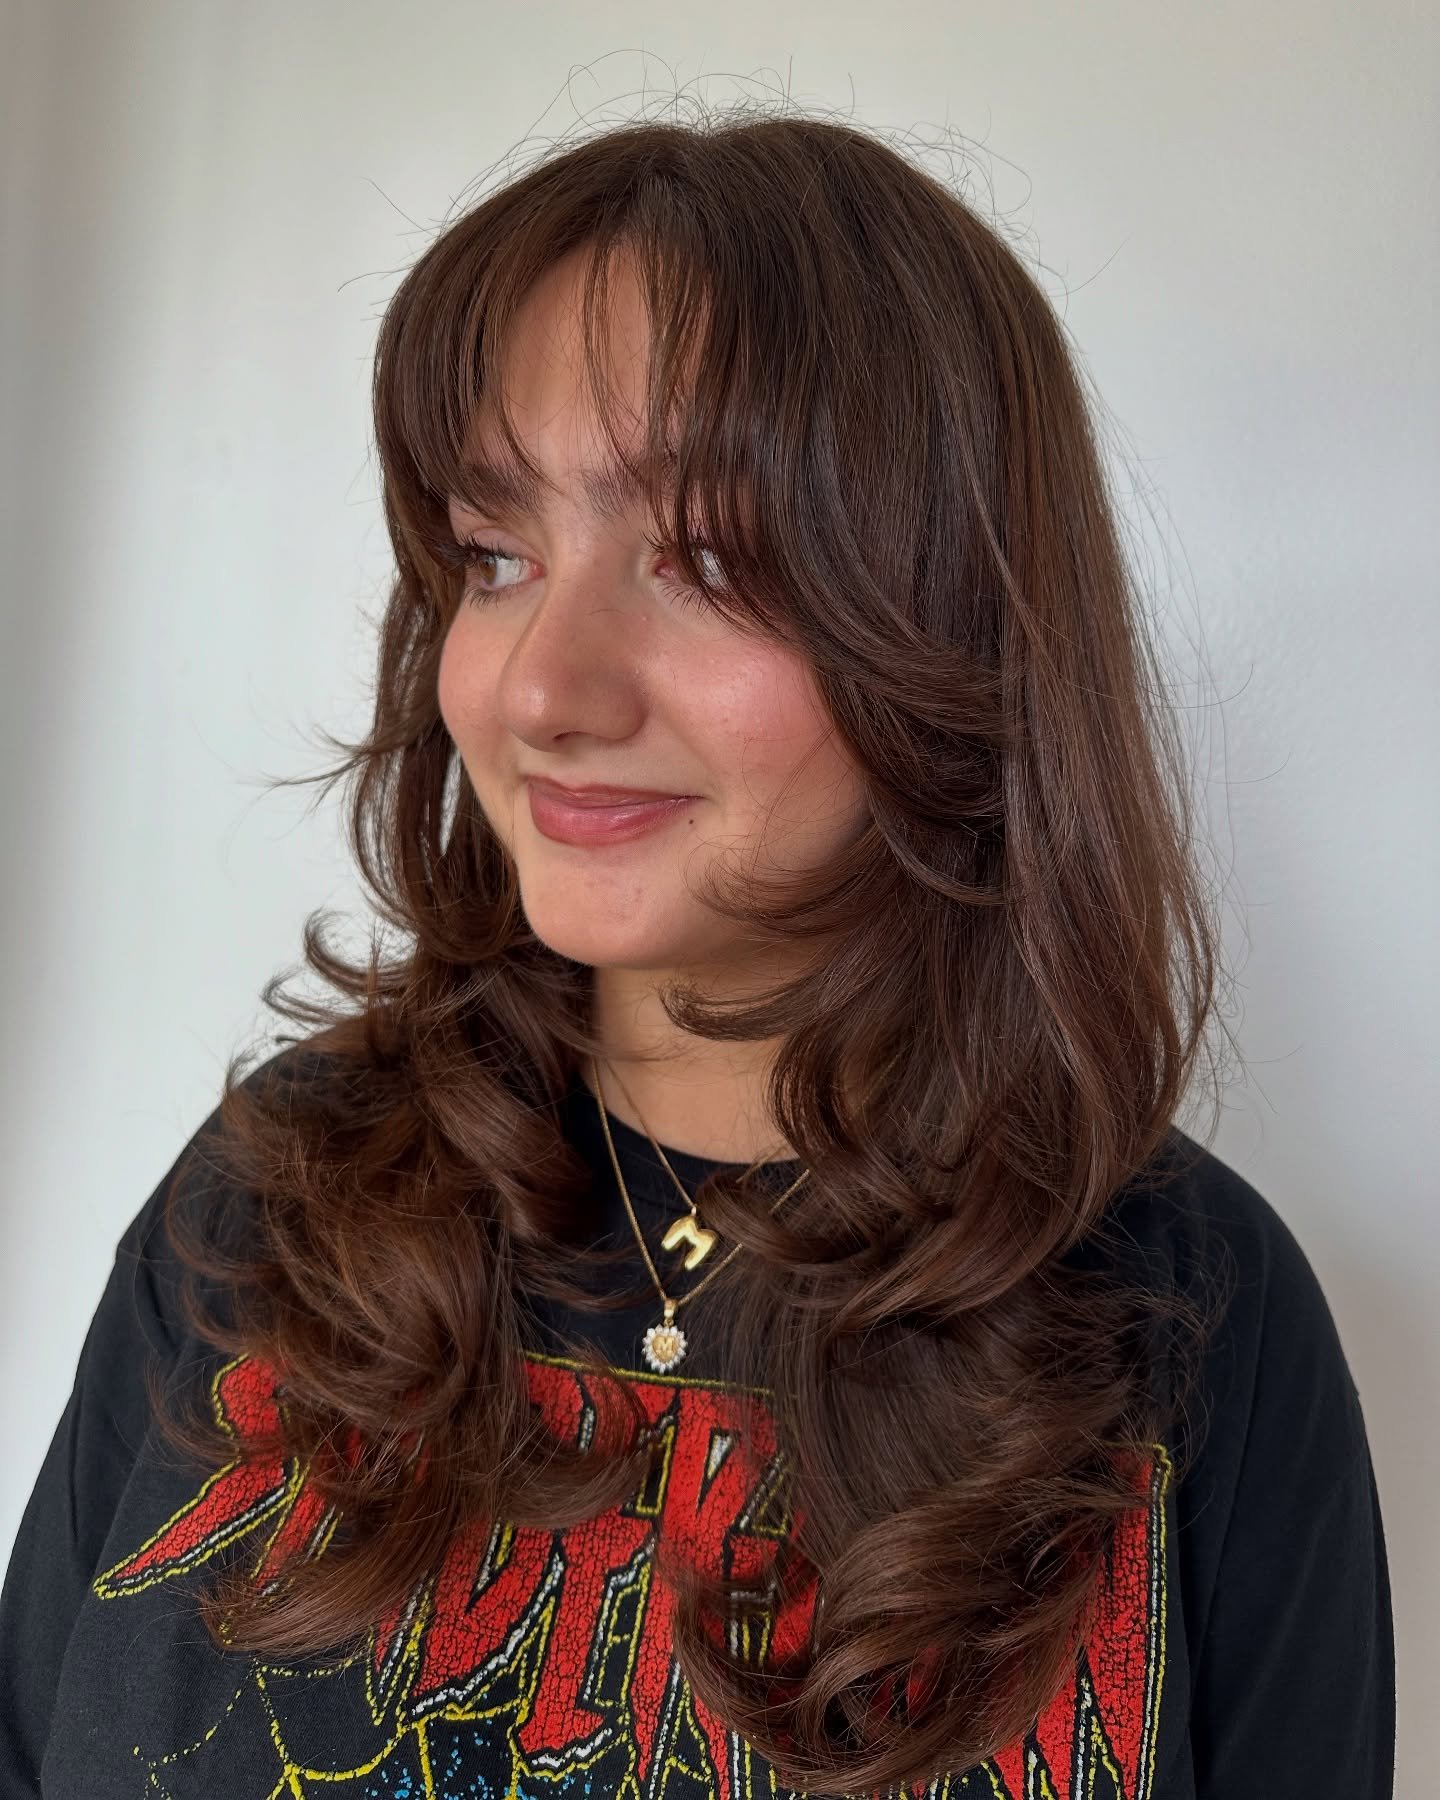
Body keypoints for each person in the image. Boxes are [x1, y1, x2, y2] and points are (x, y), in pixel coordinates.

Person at [0, 112, 1394, 1799]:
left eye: (710, 559)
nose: (542, 688)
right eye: (496, 556)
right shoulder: (268, 1205)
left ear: (955, 617)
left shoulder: (1196, 1323)